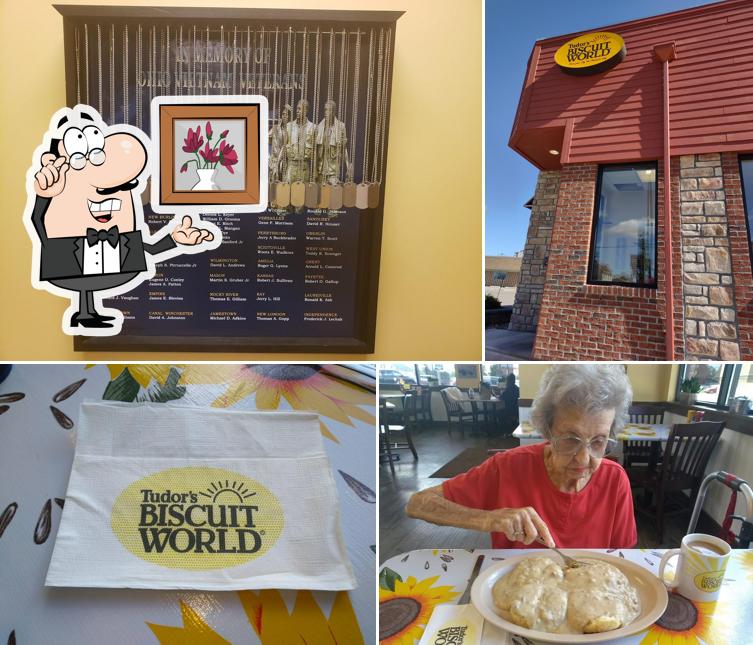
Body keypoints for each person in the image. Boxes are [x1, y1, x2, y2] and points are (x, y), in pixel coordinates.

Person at [406, 364, 637, 549]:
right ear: (548, 430)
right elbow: (418, 504)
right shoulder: (507, 467)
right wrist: (489, 519)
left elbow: (622, 556)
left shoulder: (615, 480)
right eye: (570, 439)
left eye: (598, 441)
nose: (584, 459)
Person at [27, 107, 216, 333]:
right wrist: (44, 200)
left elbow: (148, 249)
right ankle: (85, 313)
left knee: (90, 282)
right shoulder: (60, 226)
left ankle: (88, 313)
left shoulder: (120, 238)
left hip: (109, 260)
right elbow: (36, 218)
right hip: (69, 253)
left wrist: (175, 240)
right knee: (83, 281)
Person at [315, 100, 350, 185]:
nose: (325, 112)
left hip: (333, 171)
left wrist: (348, 167)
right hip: (320, 171)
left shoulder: (341, 127)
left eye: (328, 110)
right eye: (325, 110)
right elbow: (315, 151)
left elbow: (344, 149)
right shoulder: (319, 127)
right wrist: (315, 170)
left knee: (332, 195)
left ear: (334, 112)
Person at [284, 99, 315, 183]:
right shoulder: (289, 126)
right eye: (297, 109)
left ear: (306, 111)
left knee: (303, 194)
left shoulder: (313, 127)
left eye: (300, 109)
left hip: (304, 168)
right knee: (288, 192)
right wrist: (277, 164)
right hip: (291, 167)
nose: (297, 111)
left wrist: (315, 173)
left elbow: (316, 151)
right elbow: (283, 147)